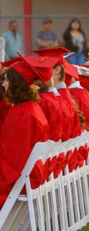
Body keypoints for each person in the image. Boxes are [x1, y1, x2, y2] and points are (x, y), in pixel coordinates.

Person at [0, 56, 52, 204]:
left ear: (17, 84)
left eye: (7, 80)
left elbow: (11, 162)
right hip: (32, 175)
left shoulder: (20, 114)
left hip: (19, 182)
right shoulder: (33, 108)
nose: (3, 85)